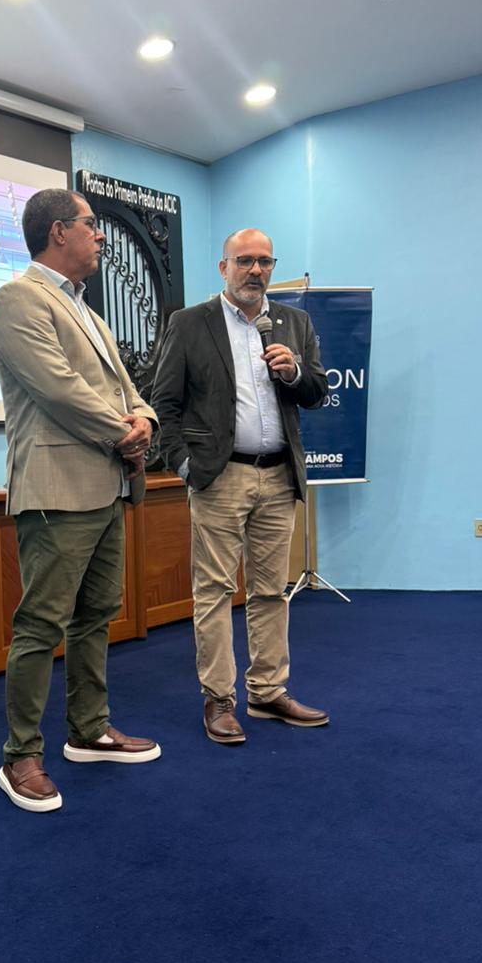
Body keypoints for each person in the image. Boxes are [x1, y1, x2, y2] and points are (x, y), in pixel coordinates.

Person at [0, 188, 161, 812]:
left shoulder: (89, 311)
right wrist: (124, 431)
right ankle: (20, 755)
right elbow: (58, 389)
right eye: (92, 225)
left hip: (107, 485)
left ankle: (89, 730)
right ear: (59, 231)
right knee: (41, 624)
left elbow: (126, 389)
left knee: (97, 613)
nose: (101, 236)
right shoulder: (18, 299)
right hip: (57, 487)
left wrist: (143, 419)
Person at [151, 228, 330, 744]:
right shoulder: (190, 323)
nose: (256, 270)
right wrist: (184, 466)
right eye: (245, 260)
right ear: (223, 267)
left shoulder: (294, 322)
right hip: (219, 475)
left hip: (278, 474)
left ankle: (268, 692)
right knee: (214, 592)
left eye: (264, 261)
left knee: (271, 590)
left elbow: (317, 392)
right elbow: (164, 402)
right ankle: (219, 700)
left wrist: (294, 373)